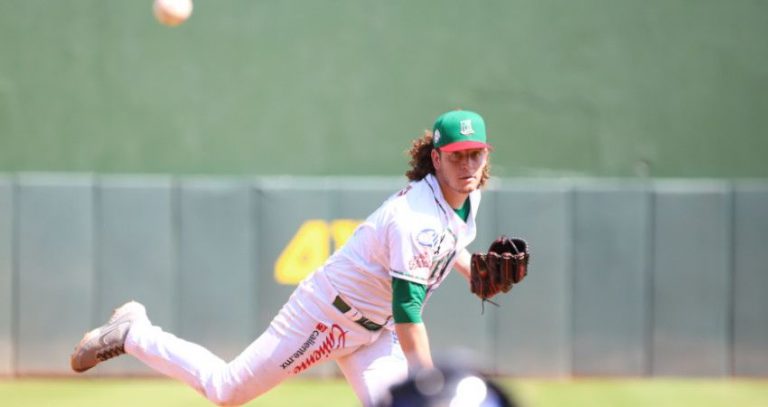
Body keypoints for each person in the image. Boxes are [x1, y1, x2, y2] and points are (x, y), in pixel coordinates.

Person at [70, 109, 493, 407]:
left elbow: (449, 242)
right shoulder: (413, 218)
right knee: (226, 390)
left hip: (374, 330)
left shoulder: (466, 197)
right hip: (327, 316)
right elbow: (408, 312)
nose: (467, 164)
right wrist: (426, 382)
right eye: (456, 155)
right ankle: (134, 332)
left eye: (475, 154)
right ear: (436, 159)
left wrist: (474, 271)